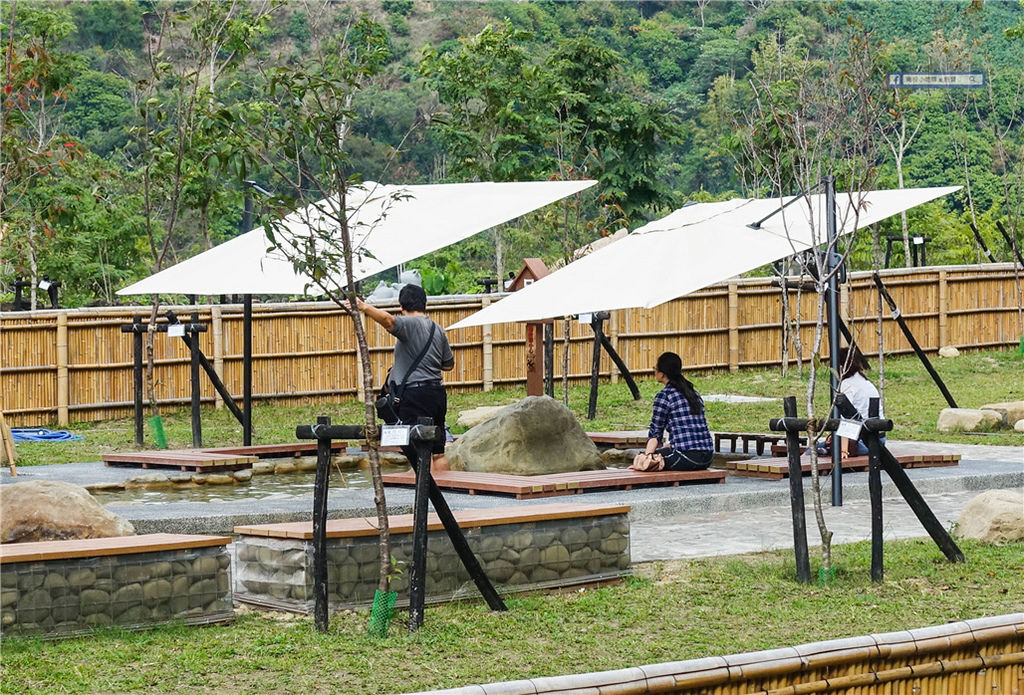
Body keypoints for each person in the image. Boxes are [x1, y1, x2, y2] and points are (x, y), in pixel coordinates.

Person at [357, 284, 453, 473]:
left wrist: (364, 307)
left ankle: (427, 500)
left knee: (419, 450)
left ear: (402, 306)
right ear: (425, 303)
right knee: (437, 452)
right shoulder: (437, 329)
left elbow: (388, 321)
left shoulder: (409, 324)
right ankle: (447, 496)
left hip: (415, 395)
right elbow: (448, 365)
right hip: (436, 393)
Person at [642, 351, 715, 471]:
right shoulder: (693, 393)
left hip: (685, 457)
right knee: (664, 451)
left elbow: (656, 433)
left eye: (655, 368)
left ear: (662, 373)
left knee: (643, 457)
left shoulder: (665, 395)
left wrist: (647, 458)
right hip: (707, 458)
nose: (654, 371)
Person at [834, 345, 884, 457]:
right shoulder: (866, 382)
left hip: (863, 442)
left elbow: (846, 419)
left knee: (817, 449)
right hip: (881, 439)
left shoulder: (847, 385)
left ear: (841, 366)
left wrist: (843, 450)